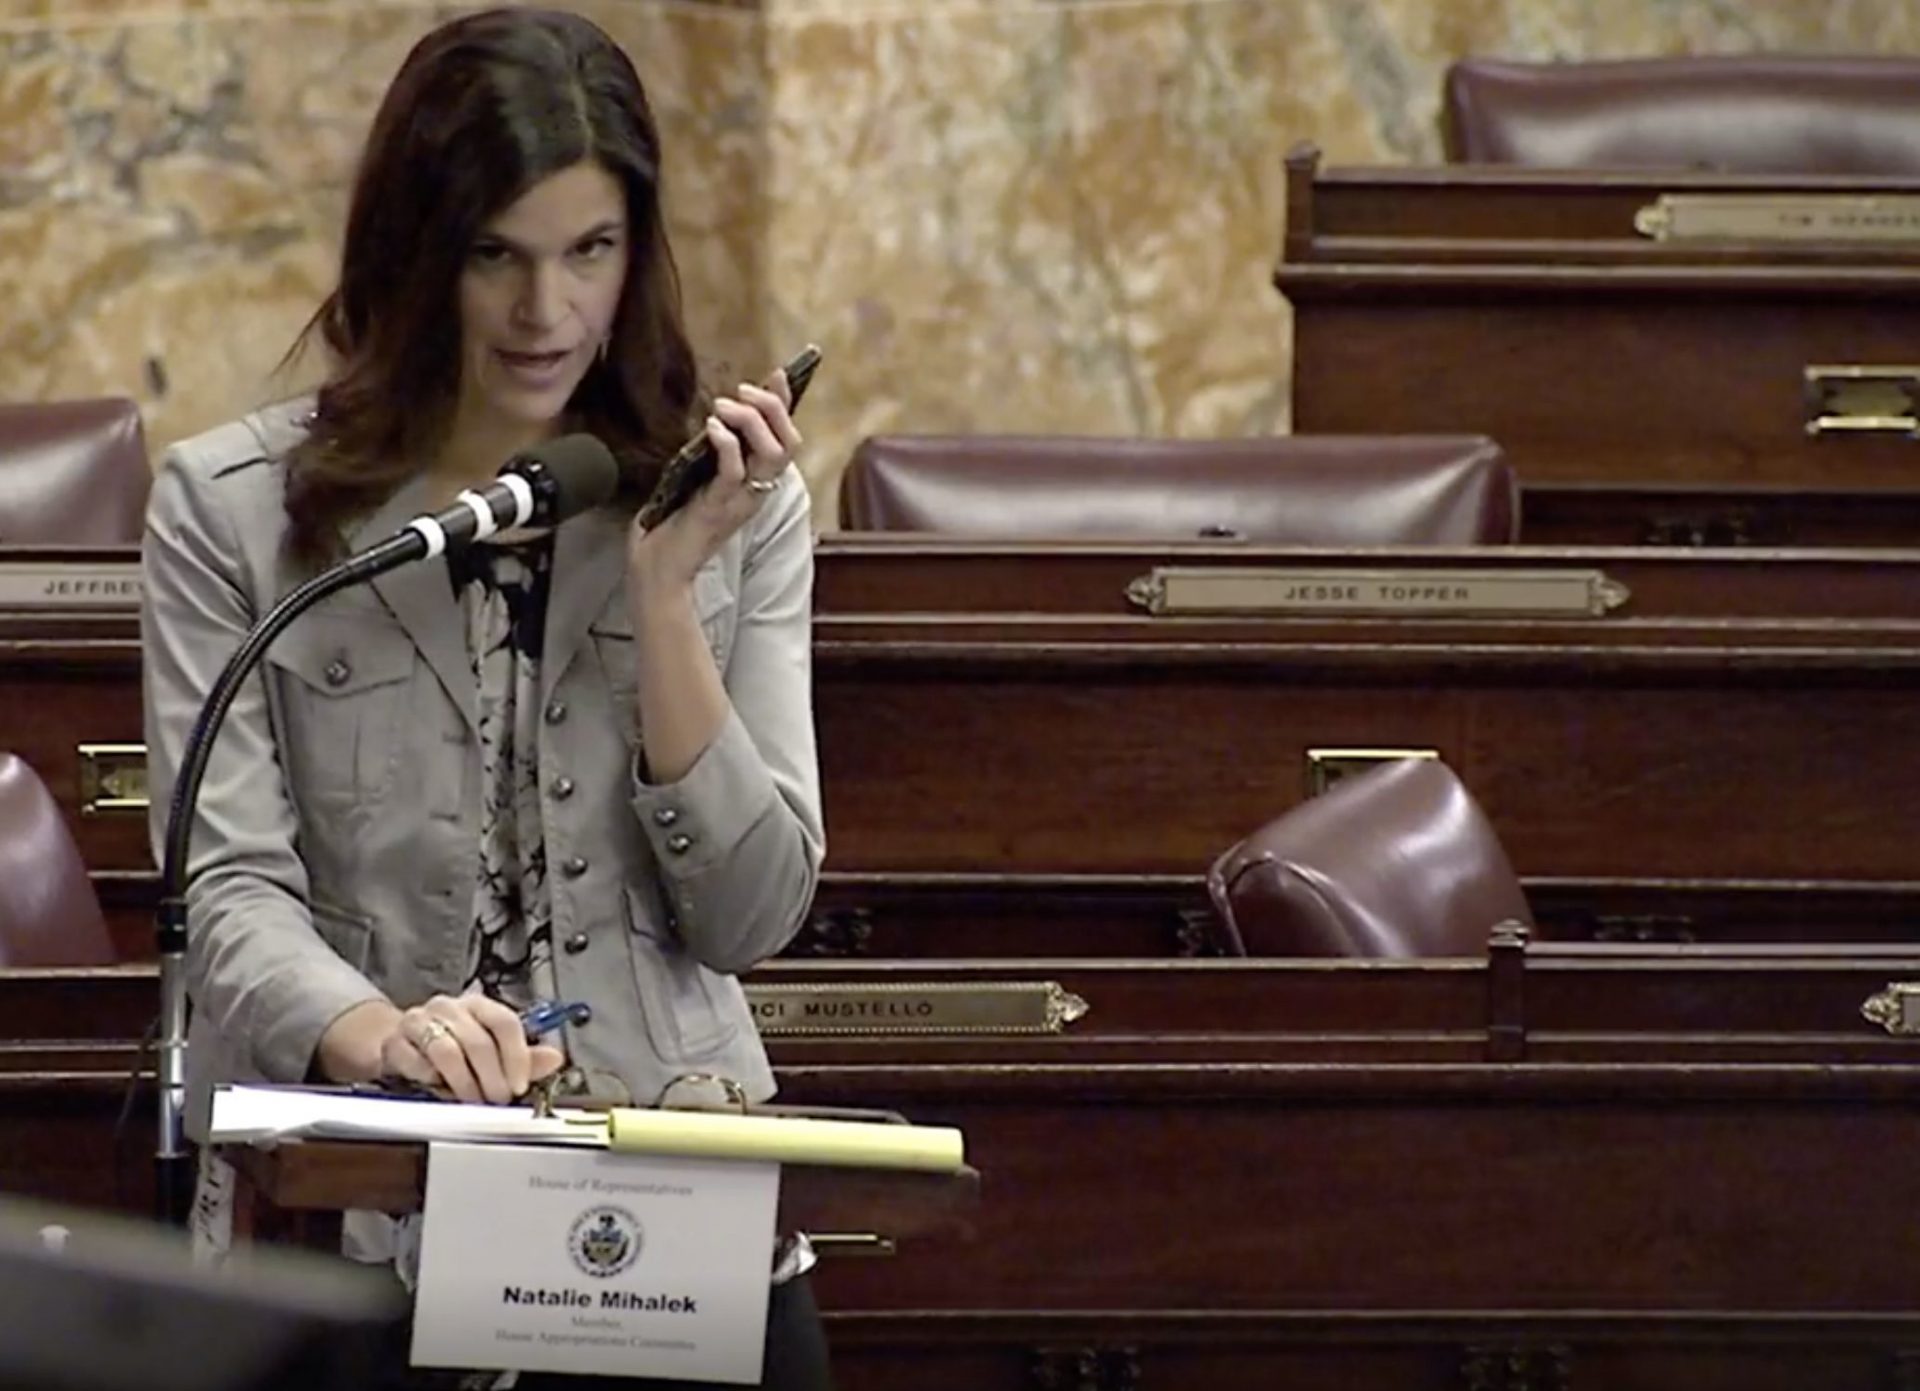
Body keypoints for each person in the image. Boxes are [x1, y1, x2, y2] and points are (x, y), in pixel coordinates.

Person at [138, 9, 829, 1389]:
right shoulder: (230, 516)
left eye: (591, 252)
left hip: (662, 1209)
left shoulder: (735, 507)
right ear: (414, 254)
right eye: (494, 256)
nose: (546, 312)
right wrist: (383, 1033)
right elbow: (227, 893)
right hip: (355, 1205)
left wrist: (666, 591)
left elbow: (750, 916)